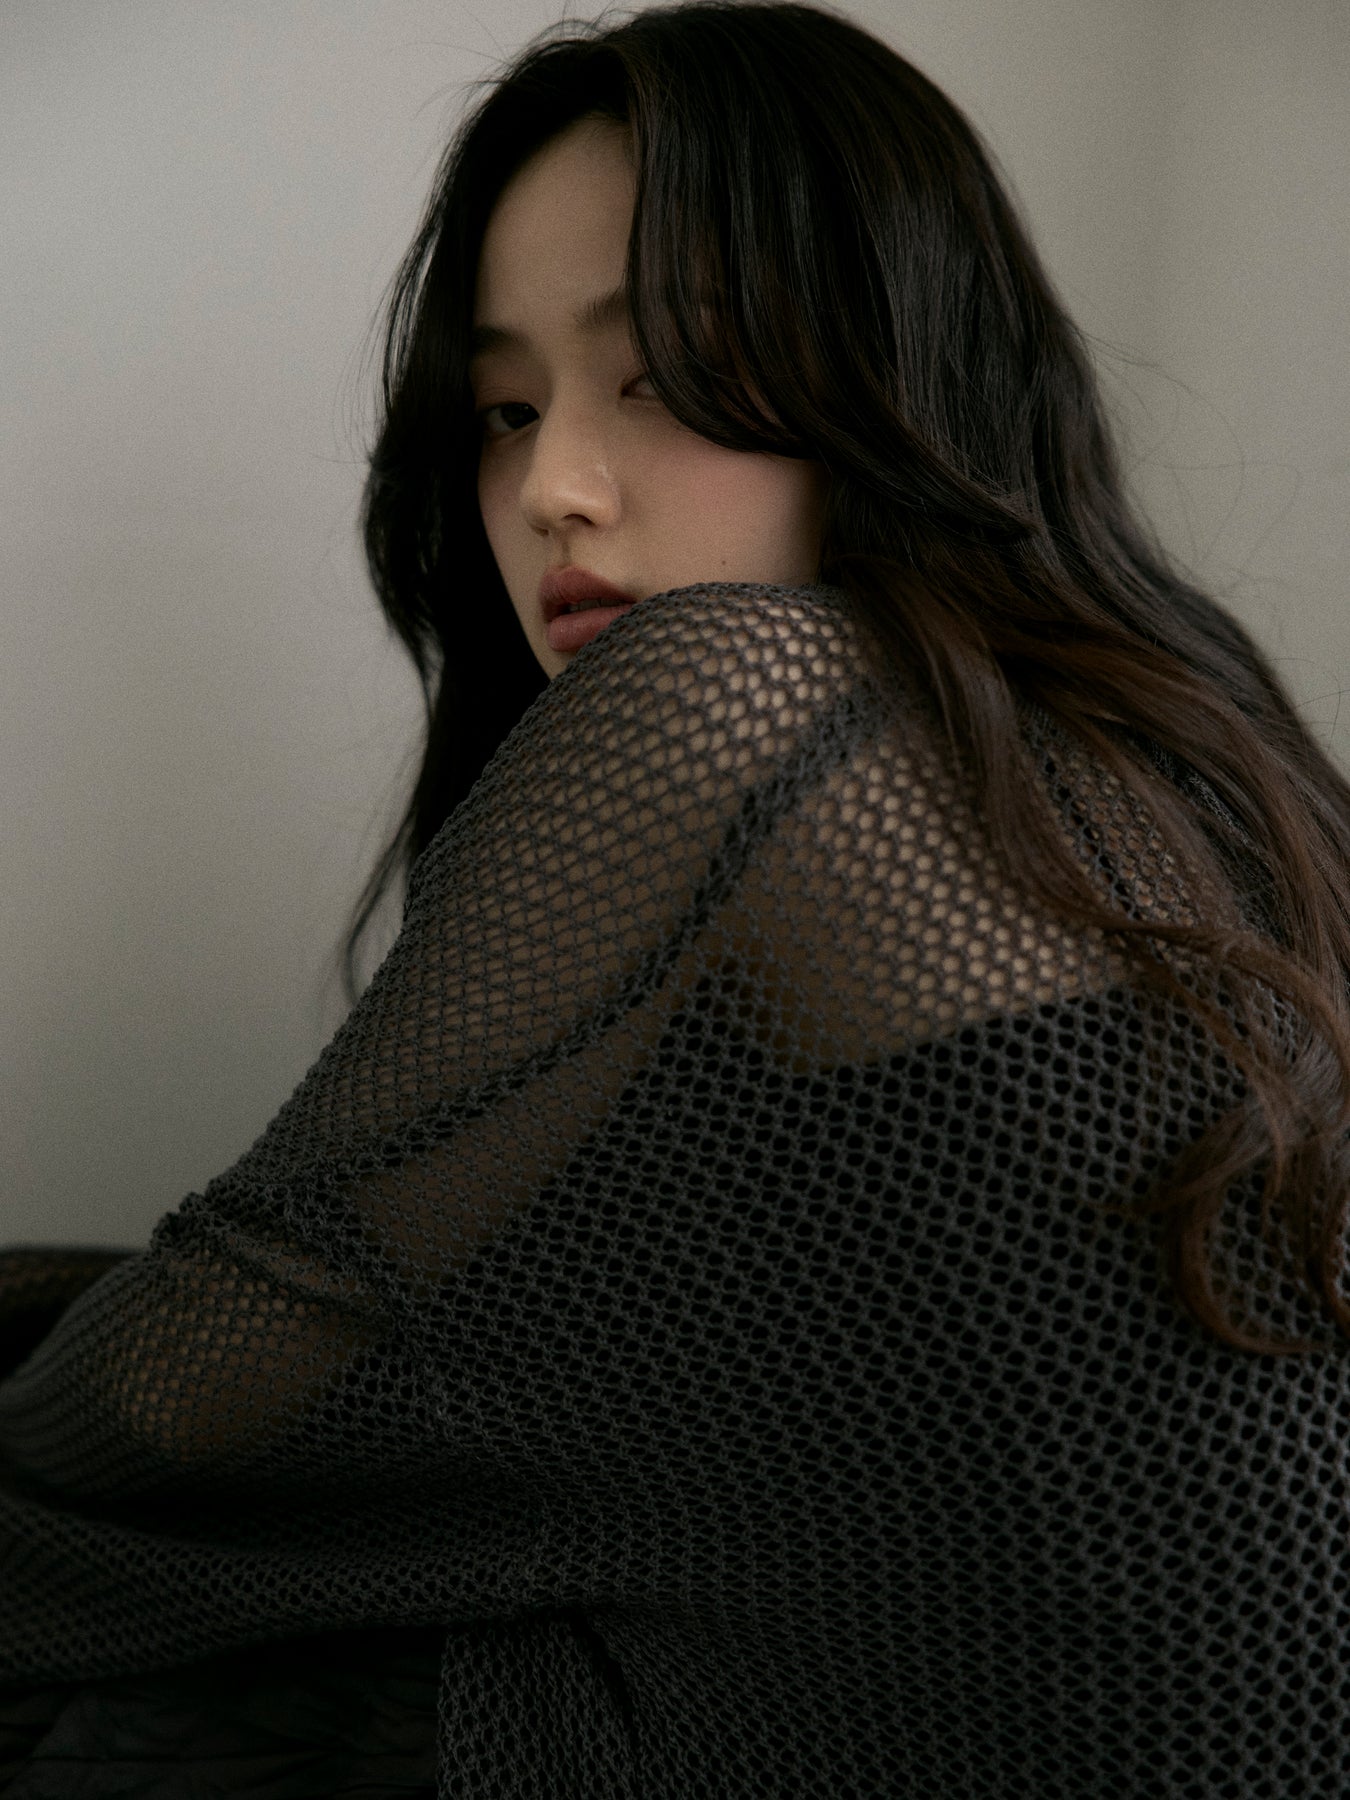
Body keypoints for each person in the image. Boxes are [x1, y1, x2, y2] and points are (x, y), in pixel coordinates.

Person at [3, 1, 1350, 1793]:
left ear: (900, 370)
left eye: (662, 376)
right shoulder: (1201, 767)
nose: (551, 490)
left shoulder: (741, 694)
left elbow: (179, 1388)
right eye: (503, 411)